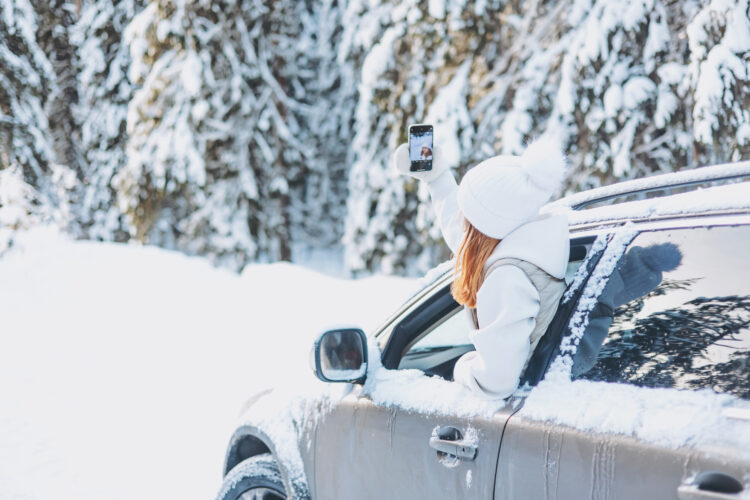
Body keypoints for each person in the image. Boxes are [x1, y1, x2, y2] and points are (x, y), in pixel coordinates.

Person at [393, 136, 569, 398]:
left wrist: (462, 367)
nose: (460, 216)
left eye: (467, 210)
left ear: (483, 225)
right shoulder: (525, 242)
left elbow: (496, 382)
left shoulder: (507, 278)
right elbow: (465, 235)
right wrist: (437, 178)